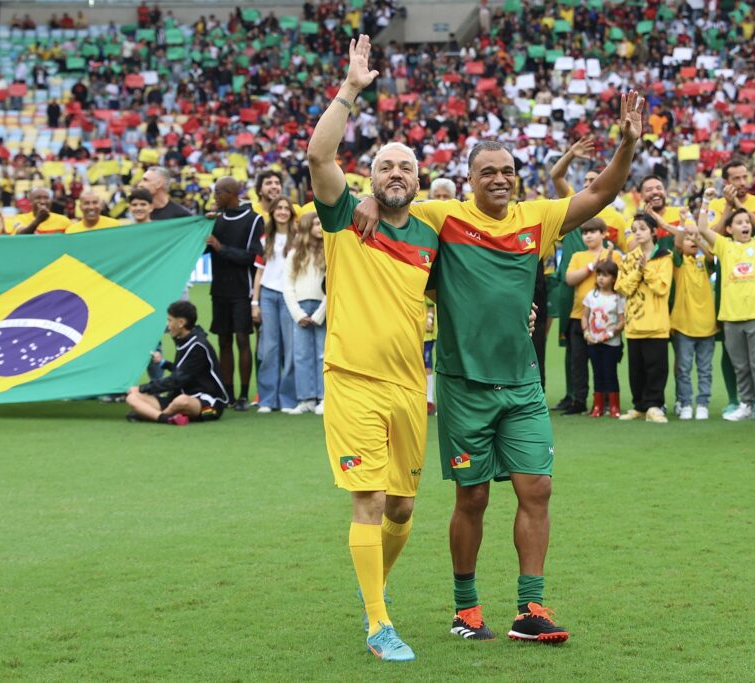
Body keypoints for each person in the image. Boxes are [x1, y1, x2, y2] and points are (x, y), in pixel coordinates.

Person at [355, 90, 645, 644]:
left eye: (507, 171)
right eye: (487, 171)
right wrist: (367, 199)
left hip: (523, 384)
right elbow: (390, 202)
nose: (499, 178)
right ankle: (466, 609)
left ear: (517, 176)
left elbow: (603, 190)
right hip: (464, 387)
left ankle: (530, 607)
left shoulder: (537, 219)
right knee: (474, 497)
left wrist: (627, 144)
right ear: (469, 180)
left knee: (536, 488)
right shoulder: (441, 217)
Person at [307, 34, 441, 662]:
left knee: (404, 505)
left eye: (405, 167)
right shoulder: (344, 220)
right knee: (369, 499)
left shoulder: (431, 234)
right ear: (370, 176)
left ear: (420, 180)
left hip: (410, 385)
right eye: (385, 166)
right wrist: (350, 91)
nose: (394, 174)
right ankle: (377, 622)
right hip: (353, 379)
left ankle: (374, 591)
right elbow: (317, 154)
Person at [690, 182, 755, 423]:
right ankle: (746, 404)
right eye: (739, 223)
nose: (745, 226)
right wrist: (706, 200)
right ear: (730, 228)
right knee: (740, 365)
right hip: (731, 316)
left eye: (747, 222)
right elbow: (702, 229)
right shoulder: (723, 246)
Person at [550, 136, 628, 412]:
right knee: (572, 350)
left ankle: (600, 397)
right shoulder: (572, 203)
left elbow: (627, 254)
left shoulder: (617, 220)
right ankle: (573, 395)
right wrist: (571, 153)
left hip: (603, 301)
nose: (587, 184)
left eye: (594, 180)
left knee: (599, 352)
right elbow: (555, 174)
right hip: (571, 293)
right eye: (585, 181)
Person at [207, 176, 263, 411]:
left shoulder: (253, 219)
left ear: (232, 193)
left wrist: (221, 248)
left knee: (242, 339)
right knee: (223, 340)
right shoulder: (215, 219)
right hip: (219, 288)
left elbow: (251, 256)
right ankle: (227, 392)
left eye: (219, 192)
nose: (215, 196)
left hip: (242, 289)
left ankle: (242, 394)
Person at [125, 301, 228, 425]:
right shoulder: (183, 339)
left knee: (182, 401)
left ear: (181, 323)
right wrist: (163, 362)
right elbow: (183, 370)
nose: (167, 325)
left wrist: (143, 388)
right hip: (179, 397)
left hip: (211, 407)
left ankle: (155, 415)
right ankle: (167, 418)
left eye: (169, 320)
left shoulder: (198, 346)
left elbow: (177, 380)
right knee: (132, 397)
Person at [615, 213, 673, 423]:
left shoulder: (664, 256)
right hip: (634, 323)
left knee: (656, 368)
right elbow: (621, 288)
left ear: (653, 232)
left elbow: (661, 287)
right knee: (636, 370)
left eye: (641, 228)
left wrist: (645, 268)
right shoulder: (628, 258)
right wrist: (638, 272)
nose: (637, 233)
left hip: (656, 324)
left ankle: (655, 406)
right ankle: (639, 406)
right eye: (634, 229)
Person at [562, 218, 621, 415]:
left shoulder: (613, 255)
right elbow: (570, 279)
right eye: (585, 232)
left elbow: (618, 279)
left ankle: (605, 402)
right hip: (579, 315)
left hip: (607, 319)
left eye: (593, 232)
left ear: (603, 233)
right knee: (578, 362)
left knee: (604, 362)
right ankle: (579, 400)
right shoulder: (578, 256)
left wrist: (608, 257)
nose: (588, 236)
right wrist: (591, 266)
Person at [251, 196, 298, 414]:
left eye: (285, 208)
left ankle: (288, 399)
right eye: (278, 208)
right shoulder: (264, 239)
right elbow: (259, 273)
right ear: (272, 212)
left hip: (290, 295)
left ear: (291, 212)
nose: (282, 212)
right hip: (268, 295)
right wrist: (255, 302)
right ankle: (267, 399)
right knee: (268, 349)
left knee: (290, 348)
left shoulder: (298, 238)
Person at [670, 206, 717, 420]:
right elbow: (678, 245)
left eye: (694, 238)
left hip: (706, 326)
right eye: (688, 238)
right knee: (684, 368)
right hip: (683, 325)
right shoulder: (678, 263)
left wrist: (699, 238)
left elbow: (710, 256)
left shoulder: (705, 262)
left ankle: (703, 403)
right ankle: (686, 402)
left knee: (705, 369)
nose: (691, 240)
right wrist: (683, 224)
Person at [283, 211, 327, 415]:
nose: (320, 227)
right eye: (316, 224)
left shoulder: (330, 252)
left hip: (323, 309)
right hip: (300, 309)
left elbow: (333, 285)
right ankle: (306, 398)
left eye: (321, 224)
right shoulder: (295, 255)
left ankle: (324, 397)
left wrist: (320, 314)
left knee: (323, 355)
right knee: (300, 355)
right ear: (307, 227)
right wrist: (298, 313)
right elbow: (287, 285)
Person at [581, 260, 624, 417]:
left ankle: (614, 406)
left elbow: (621, 321)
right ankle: (597, 406)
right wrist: (587, 333)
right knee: (597, 373)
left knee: (610, 373)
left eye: (605, 275)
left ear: (613, 278)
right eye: (598, 274)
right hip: (593, 342)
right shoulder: (591, 296)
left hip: (611, 344)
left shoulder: (617, 298)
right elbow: (584, 316)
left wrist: (609, 334)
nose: (600, 278)